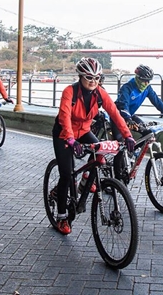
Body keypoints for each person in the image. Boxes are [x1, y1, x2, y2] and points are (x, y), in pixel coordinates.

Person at [52, 57, 136, 235]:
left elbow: (114, 112)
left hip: (83, 131)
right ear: (81, 76)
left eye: (97, 78)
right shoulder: (70, 92)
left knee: (101, 156)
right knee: (66, 175)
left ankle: (84, 183)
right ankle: (61, 217)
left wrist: (127, 136)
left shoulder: (100, 93)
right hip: (64, 134)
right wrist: (70, 140)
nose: (93, 82)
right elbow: (64, 117)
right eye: (89, 77)